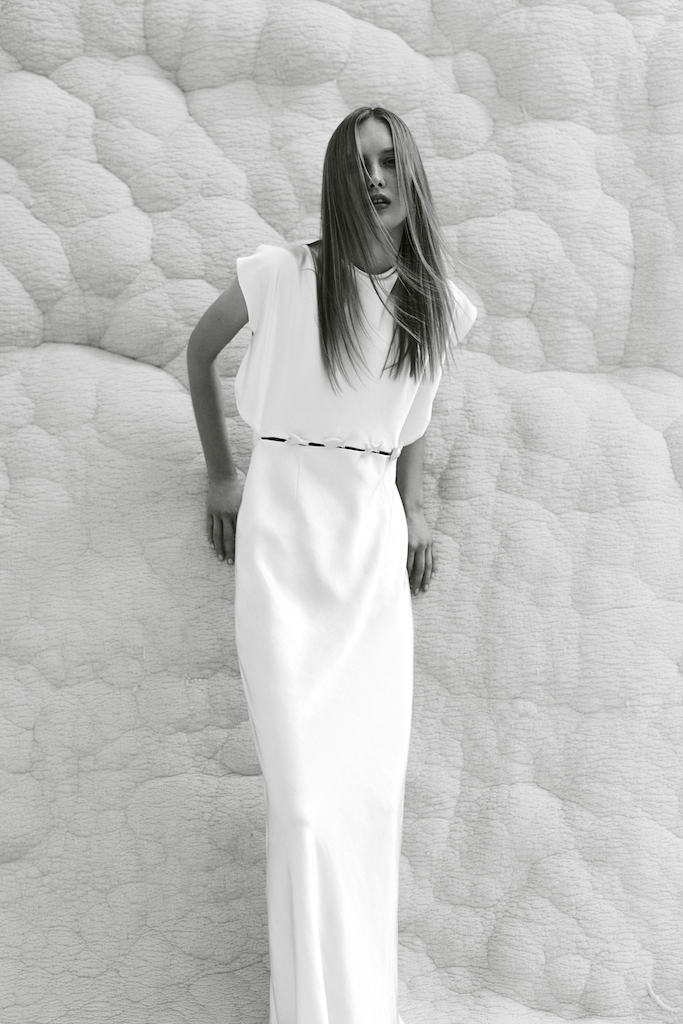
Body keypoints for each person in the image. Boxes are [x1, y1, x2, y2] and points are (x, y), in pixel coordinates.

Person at [186, 106, 477, 1024]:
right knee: (306, 807)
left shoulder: (434, 305)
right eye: (357, 166)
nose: (375, 178)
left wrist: (413, 509)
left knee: (364, 806)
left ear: (410, 174)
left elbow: (411, 422)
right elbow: (199, 352)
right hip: (282, 536)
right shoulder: (284, 275)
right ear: (336, 182)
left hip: (367, 553)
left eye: (388, 161)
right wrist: (222, 474)